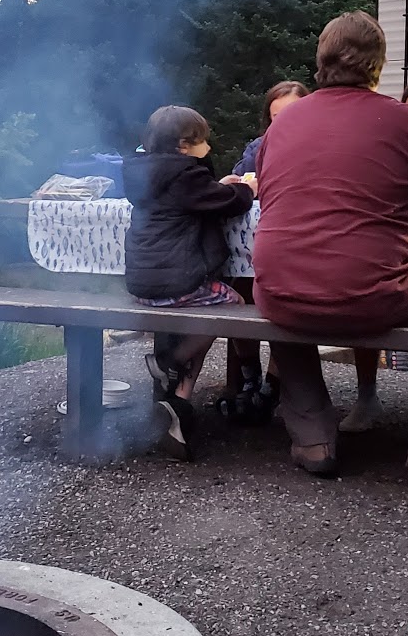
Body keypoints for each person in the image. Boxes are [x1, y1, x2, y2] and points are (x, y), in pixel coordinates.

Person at [252, 11, 408, 485]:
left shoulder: (282, 124)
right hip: (377, 287)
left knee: (287, 294)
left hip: (279, 284)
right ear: (377, 67)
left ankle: (313, 436)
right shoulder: (404, 121)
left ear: (319, 63)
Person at [123, 105, 255, 460]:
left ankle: (178, 403)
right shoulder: (185, 176)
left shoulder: (144, 171)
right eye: (203, 142)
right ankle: (171, 360)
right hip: (175, 281)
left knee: (204, 310)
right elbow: (230, 204)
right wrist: (247, 189)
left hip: (142, 282)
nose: (208, 149)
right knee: (233, 305)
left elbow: (200, 194)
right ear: (184, 145)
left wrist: (215, 184)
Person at [219, 80, 308, 425]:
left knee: (286, 296)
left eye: (290, 114)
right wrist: (235, 183)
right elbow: (243, 180)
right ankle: (250, 376)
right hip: (254, 247)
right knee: (238, 287)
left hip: (296, 248)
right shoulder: (259, 147)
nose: (281, 124)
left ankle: (273, 384)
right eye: (275, 117)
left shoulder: (319, 147)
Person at [233, 81, 309, 176]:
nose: (284, 122)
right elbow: (241, 179)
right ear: (269, 118)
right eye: (277, 117)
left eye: (292, 115)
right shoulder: (258, 148)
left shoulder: (320, 145)